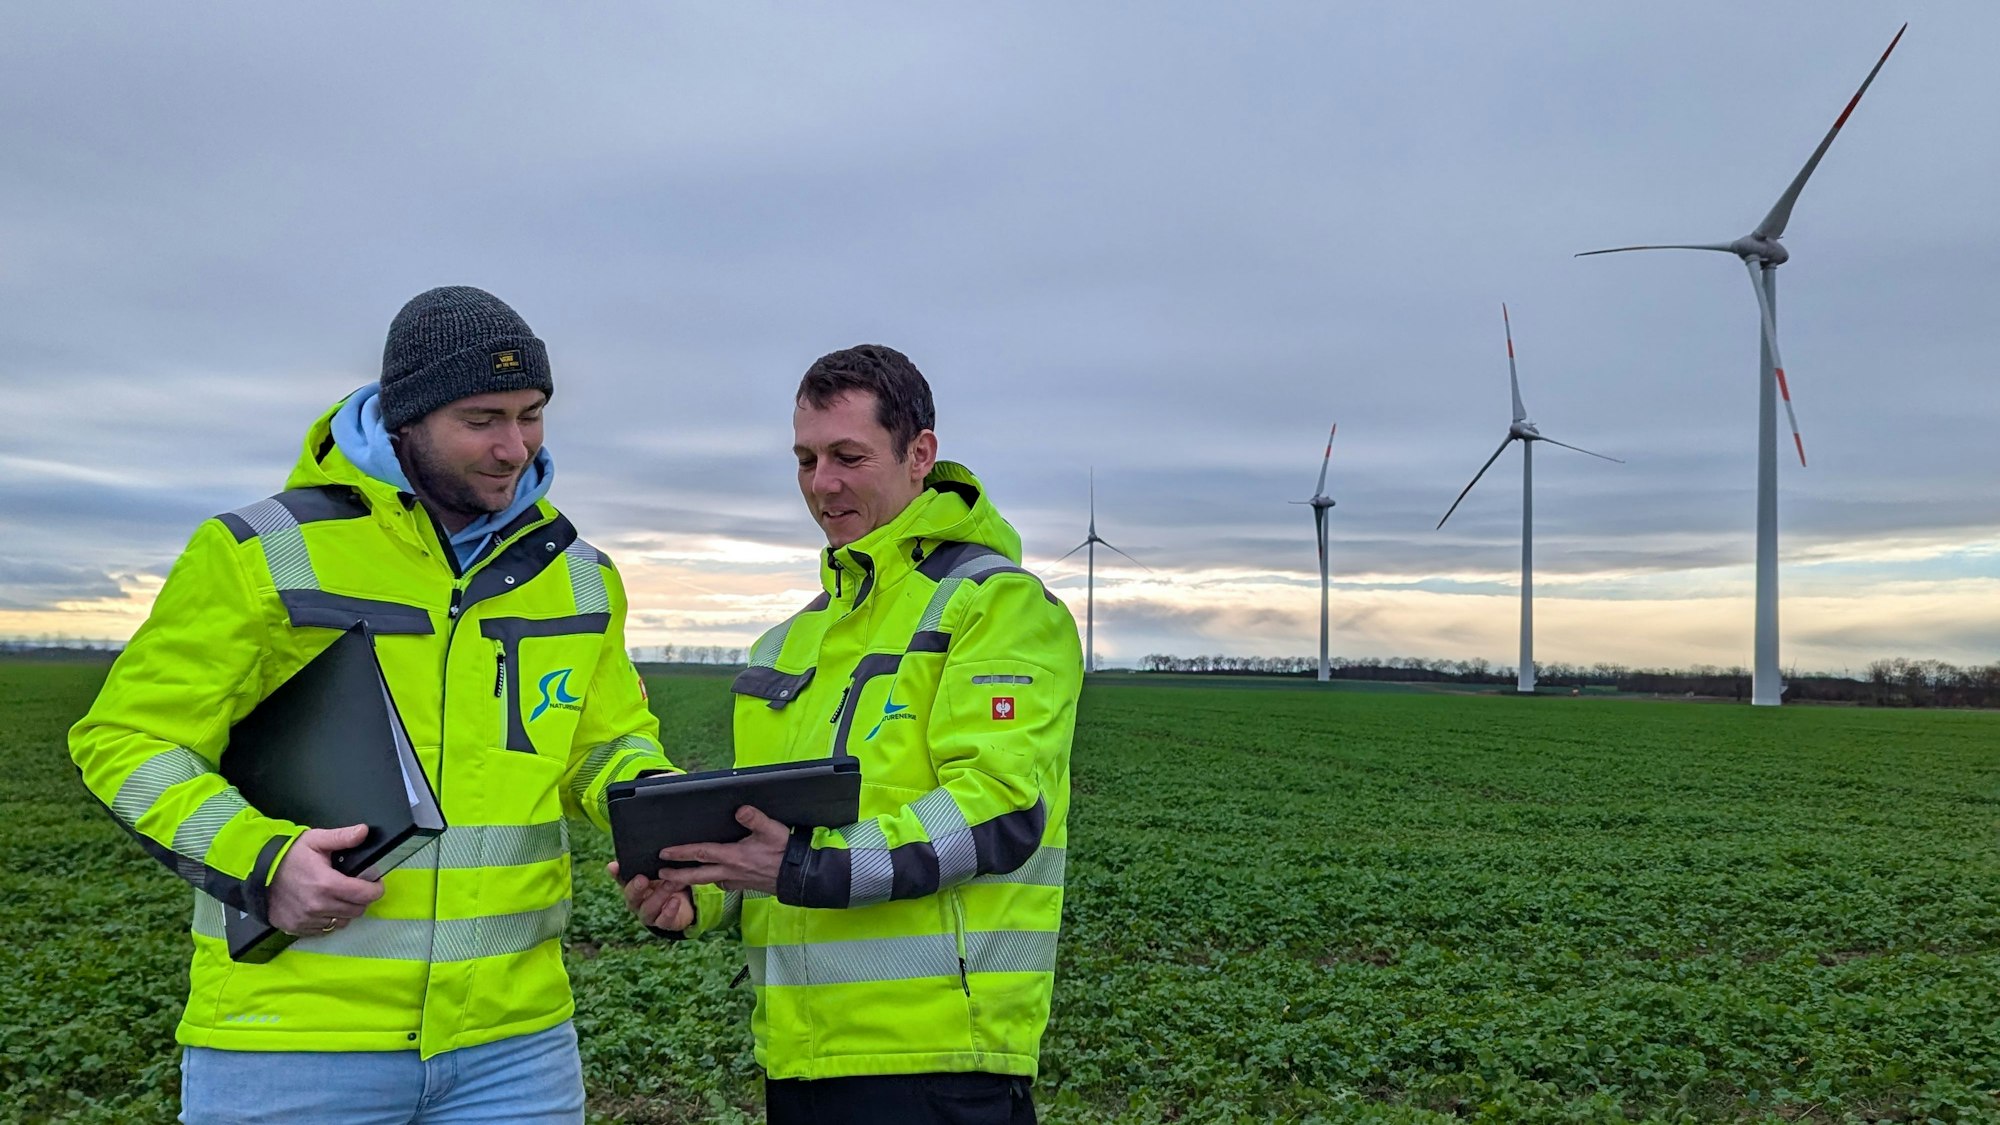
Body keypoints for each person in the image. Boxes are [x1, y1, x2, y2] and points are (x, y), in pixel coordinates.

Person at [69, 286, 679, 1123]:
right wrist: (262, 860)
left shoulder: (578, 574)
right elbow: (128, 739)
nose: (514, 447)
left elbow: (603, 745)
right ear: (405, 419)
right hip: (291, 1041)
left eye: (531, 415)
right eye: (482, 419)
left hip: (515, 1046)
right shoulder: (261, 552)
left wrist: (666, 812)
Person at [622, 344, 1082, 1124]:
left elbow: (1000, 807)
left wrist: (802, 865)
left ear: (920, 455)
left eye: (848, 456)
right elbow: (766, 832)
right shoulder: (787, 641)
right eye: (806, 459)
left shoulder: (994, 605)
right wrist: (699, 890)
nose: (821, 483)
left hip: (939, 1065)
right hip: (799, 1058)